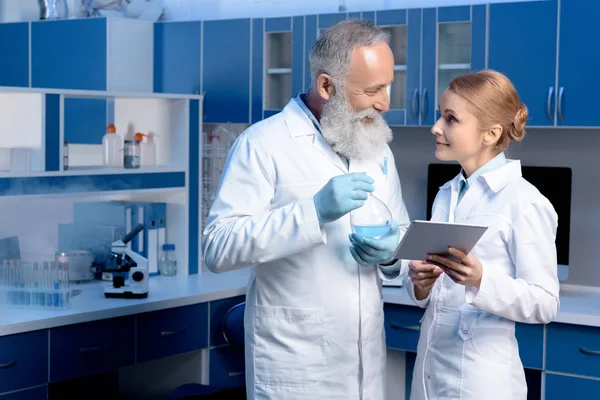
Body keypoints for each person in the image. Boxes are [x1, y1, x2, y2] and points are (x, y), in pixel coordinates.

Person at [202, 20, 411, 399]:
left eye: (388, 86)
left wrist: (393, 257)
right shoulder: (263, 144)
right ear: (326, 86)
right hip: (295, 369)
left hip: (365, 369)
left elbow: (401, 237)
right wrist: (311, 213)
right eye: (372, 90)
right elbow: (217, 247)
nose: (385, 103)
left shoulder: (377, 148)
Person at [407, 70, 560, 399]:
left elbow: (545, 304)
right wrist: (421, 285)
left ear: (490, 133)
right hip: (431, 373)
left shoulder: (525, 202)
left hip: (482, 382)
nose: (436, 127)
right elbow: (437, 296)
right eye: (439, 115)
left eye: (450, 119)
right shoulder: (446, 193)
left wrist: (480, 279)